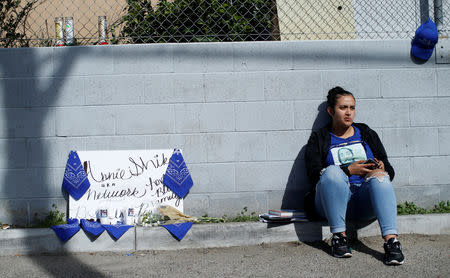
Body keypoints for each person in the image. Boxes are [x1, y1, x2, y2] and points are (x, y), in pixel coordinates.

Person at [304, 86, 404, 265]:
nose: (348, 113)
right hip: (330, 204)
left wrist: (381, 166)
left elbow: (390, 170)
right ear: (330, 111)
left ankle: (392, 243)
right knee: (333, 172)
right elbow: (313, 175)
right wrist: (349, 171)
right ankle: (339, 238)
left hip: (363, 203)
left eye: (352, 108)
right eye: (343, 108)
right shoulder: (319, 137)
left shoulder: (365, 133)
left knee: (381, 176)